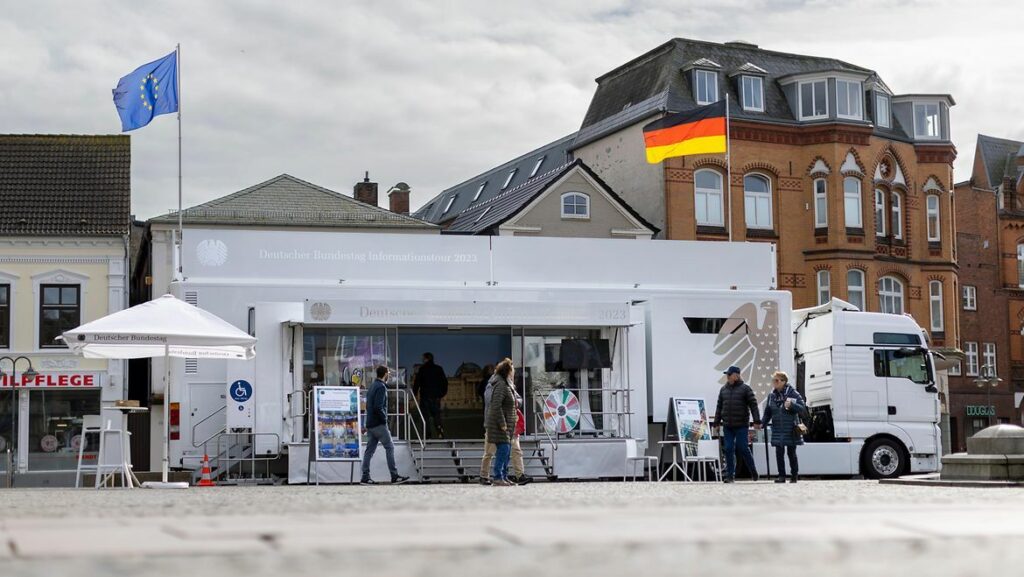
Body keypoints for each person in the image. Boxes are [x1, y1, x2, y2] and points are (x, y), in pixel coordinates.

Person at [360, 366, 409, 485]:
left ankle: (365, 477)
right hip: (379, 424)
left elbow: (369, 406)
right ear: (385, 374)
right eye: (388, 373)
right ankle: (394, 475)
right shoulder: (381, 387)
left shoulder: (372, 386)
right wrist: (385, 419)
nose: (389, 375)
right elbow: (378, 406)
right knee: (390, 447)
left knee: (369, 451)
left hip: (371, 424)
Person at [713, 365, 761, 483]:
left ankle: (753, 471)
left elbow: (753, 406)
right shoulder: (723, 390)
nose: (727, 377)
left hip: (741, 425)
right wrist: (716, 422)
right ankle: (730, 475)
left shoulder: (746, 389)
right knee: (729, 449)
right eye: (727, 375)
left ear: (736, 376)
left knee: (743, 448)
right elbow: (719, 407)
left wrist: (756, 421)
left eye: (729, 374)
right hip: (728, 426)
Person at [761, 371, 805, 483]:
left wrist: (792, 405)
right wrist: (762, 423)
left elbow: (802, 408)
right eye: (773, 380)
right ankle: (782, 476)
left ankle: (794, 475)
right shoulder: (771, 396)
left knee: (791, 453)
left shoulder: (793, 393)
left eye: (776, 380)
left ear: (783, 382)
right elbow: (768, 412)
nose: (774, 383)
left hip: (790, 428)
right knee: (779, 452)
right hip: (778, 429)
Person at [485, 359, 517, 486]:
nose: (514, 372)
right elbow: (496, 405)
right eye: (512, 369)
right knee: (503, 449)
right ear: (507, 370)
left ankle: (503, 476)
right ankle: (498, 477)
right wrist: (503, 423)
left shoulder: (506, 383)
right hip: (500, 425)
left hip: (507, 424)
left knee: (507, 450)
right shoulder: (501, 385)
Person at [478, 360, 508, 485]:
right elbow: (492, 403)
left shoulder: (500, 383)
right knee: (489, 451)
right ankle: (484, 475)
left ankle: (500, 475)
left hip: (499, 421)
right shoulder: (493, 384)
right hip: (493, 423)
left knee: (501, 450)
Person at [413, 352, 447, 439]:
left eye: (423, 358)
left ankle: (427, 436)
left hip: (425, 397)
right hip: (436, 397)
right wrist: (441, 394)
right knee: (437, 417)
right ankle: (440, 433)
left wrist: (414, 393)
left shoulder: (422, 369)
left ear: (426, 359)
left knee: (425, 418)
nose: (422, 360)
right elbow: (444, 383)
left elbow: (417, 383)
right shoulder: (439, 369)